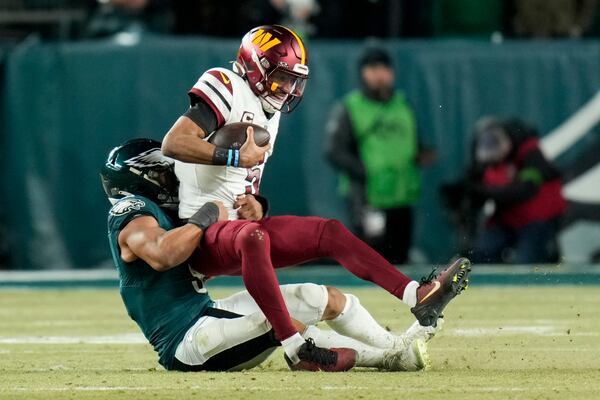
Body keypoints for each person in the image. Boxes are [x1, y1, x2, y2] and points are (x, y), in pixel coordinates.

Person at [161, 25, 471, 369]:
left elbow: (241, 184)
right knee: (254, 235)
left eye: (294, 80)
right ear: (255, 67)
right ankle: (294, 346)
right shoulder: (226, 84)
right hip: (204, 232)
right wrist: (235, 158)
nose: (289, 88)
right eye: (281, 78)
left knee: (330, 232)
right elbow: (174, 143)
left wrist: (256, 203)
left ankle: (416, 294)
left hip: (239, 228)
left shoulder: (270, 110)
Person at [101, 138, 441, 372]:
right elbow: (163, 254)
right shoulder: (131, 210)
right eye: (164, 173)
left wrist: (255, 207)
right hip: (185, 342)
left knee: (322, 297)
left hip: (205, 312)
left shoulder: (164, 214)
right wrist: (204, 216)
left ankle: (397, 345)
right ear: (141, 177)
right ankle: (386, 359)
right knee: (276, 320)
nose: (173, 181)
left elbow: (214, 238)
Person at [324, 44, 435, 264]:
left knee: (400, 260)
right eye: (372, 69)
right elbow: (334, 150)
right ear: (363, 73)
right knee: (371, 259)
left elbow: (414, 141)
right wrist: (365, 171)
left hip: (402, 195)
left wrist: (421, 154)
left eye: (384, 69)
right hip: (368, 197)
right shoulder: (351, 107)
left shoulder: (403, 104)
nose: (379, 75)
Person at [441, 117, 567, 264]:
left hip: (537, 221)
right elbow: (472, 191)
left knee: (526, 260)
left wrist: (485, 191)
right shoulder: (484, 161)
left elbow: (525, 191)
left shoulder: (531, 154)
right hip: (506, 222)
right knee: (481, 253)